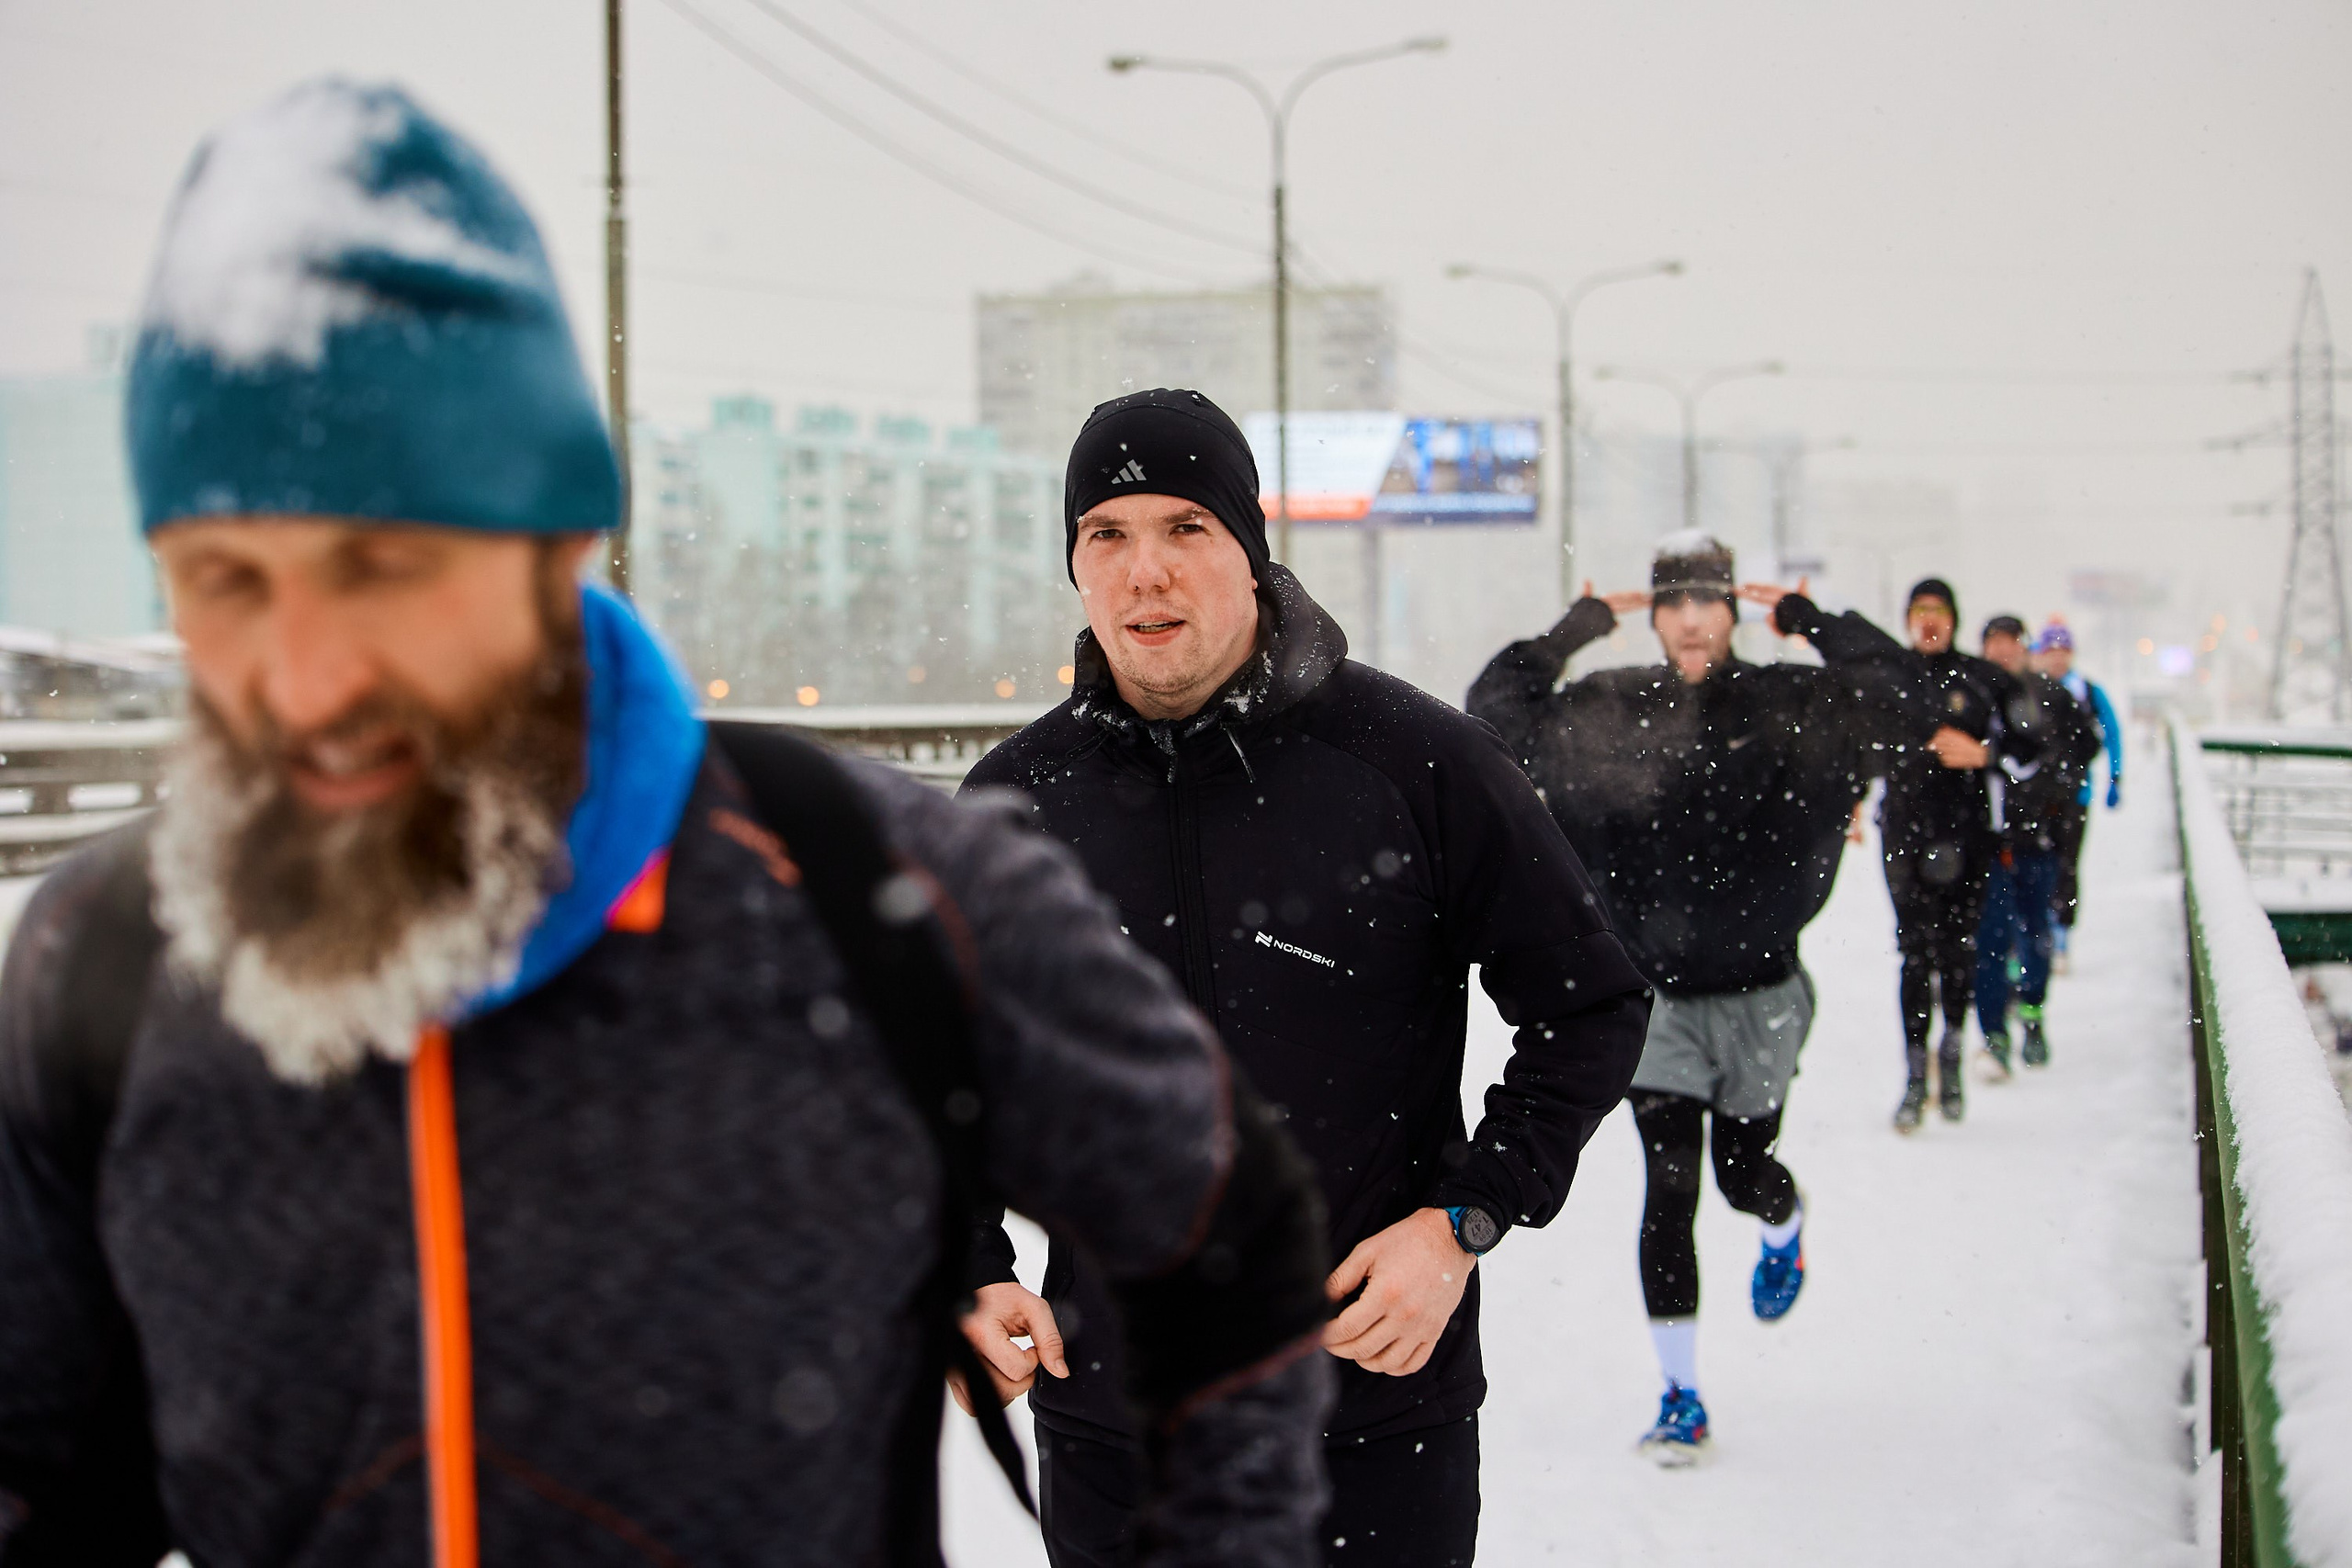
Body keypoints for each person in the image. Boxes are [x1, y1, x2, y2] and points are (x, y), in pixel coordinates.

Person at [0, 83, 1335, 1566]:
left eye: (385, 565)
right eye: (225, 580)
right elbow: (43, 1477)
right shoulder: (105, 964)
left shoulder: (873, 894)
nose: (306, 677)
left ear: (555, 538)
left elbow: (1225, 1245)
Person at [956, 388, 1651, 1568]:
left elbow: (1588, 1005)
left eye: (1186, 529)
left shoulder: (1414, 761)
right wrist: (969, 1267)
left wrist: (1460, 1220)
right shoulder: (1017, 805)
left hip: (1370, 1421)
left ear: (1250, 549)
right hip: (1114, 1430)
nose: (1145, 574)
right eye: (1106, 537)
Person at [1467, 532, 1939, 1465]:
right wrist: (1577, 629)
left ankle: (1783, 1221)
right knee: (1668, 1188)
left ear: (1732, 611)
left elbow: (1904, 699)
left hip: (1762, 997)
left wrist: (1805, 617)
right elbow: (1492, 720)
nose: (1689, 620)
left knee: (1741, 1176)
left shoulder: (1792, 706)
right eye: (1671, 601)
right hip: (1657, 1004)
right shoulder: (1608, 710)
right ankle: (1679, 1395)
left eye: (1707, 601)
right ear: (1657, 613)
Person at [1876, 578, 2041, 1132]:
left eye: (1939, 611)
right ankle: (1914, 1074)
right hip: (1903, 837)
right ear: (1906, 619)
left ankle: (1952, 1054)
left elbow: (2032, 746)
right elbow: (1851, 738)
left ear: (1953, 619)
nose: (1929, 621)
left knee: (1958, 953)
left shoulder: (1981, 678)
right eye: (1919, 610)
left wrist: (1985, 752)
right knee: (1913, 955)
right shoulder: (1889, 677)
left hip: (1969, 838)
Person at [1971, 616, 2100, 1074]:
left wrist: (2054, 793)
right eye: (1994, 643)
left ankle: (2032, 1011)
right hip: (1986, 844)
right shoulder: (1970, 695)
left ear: (2024, 647)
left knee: (2036, 934)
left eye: (2011, 642)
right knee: (1989, 942)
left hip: (2038, 840)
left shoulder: (2050, 695)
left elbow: (2087, 746)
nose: (2002, 651)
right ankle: (1993, 1035)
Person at [2032, 620, 2124, 973]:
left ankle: (2062, 934)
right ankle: (2034, 931)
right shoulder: (2030, 690)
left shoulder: (2086, 690)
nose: (2057, 658)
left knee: (2067, 866)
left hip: (2075, 795)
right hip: (2036, 797)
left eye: (2063, 651)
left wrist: (2116, 778)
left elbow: (2112, 732)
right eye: (2050, 651)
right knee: (2036, 865)